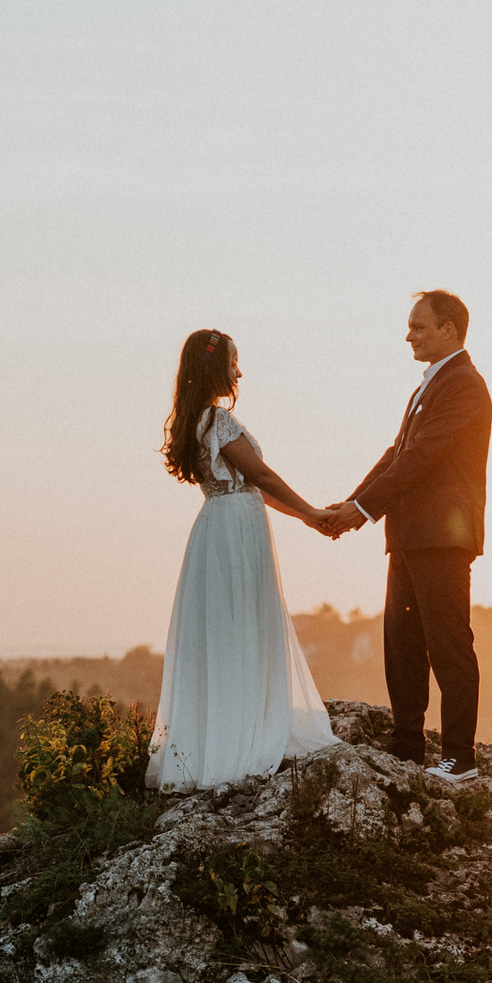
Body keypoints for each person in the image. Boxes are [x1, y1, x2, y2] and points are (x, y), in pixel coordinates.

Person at [147, 329, 341, 791]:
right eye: (234, 361)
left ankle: (219, 737)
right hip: (235, 529)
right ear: (216, 367)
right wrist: (313, 512)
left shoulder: (194, 420)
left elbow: (256, 486)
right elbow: (260, 475)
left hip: (219, 523)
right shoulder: (218, 421)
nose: (239, 370)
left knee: (228, 628)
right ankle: (243, 742)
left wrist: (308, 518)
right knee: (242, 625)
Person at [320, 291, 492, 783]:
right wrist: (351, 502)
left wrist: (360, 511)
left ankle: (459, 756)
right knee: (401, 641)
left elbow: (422, 460)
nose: (409, 335)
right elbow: (398, 453)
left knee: (448, 643)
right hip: (411, 534)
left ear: (449, 329)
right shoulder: (429, 385)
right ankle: (407, 743)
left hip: (442, 536)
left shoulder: (464, 385)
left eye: (418, 326)